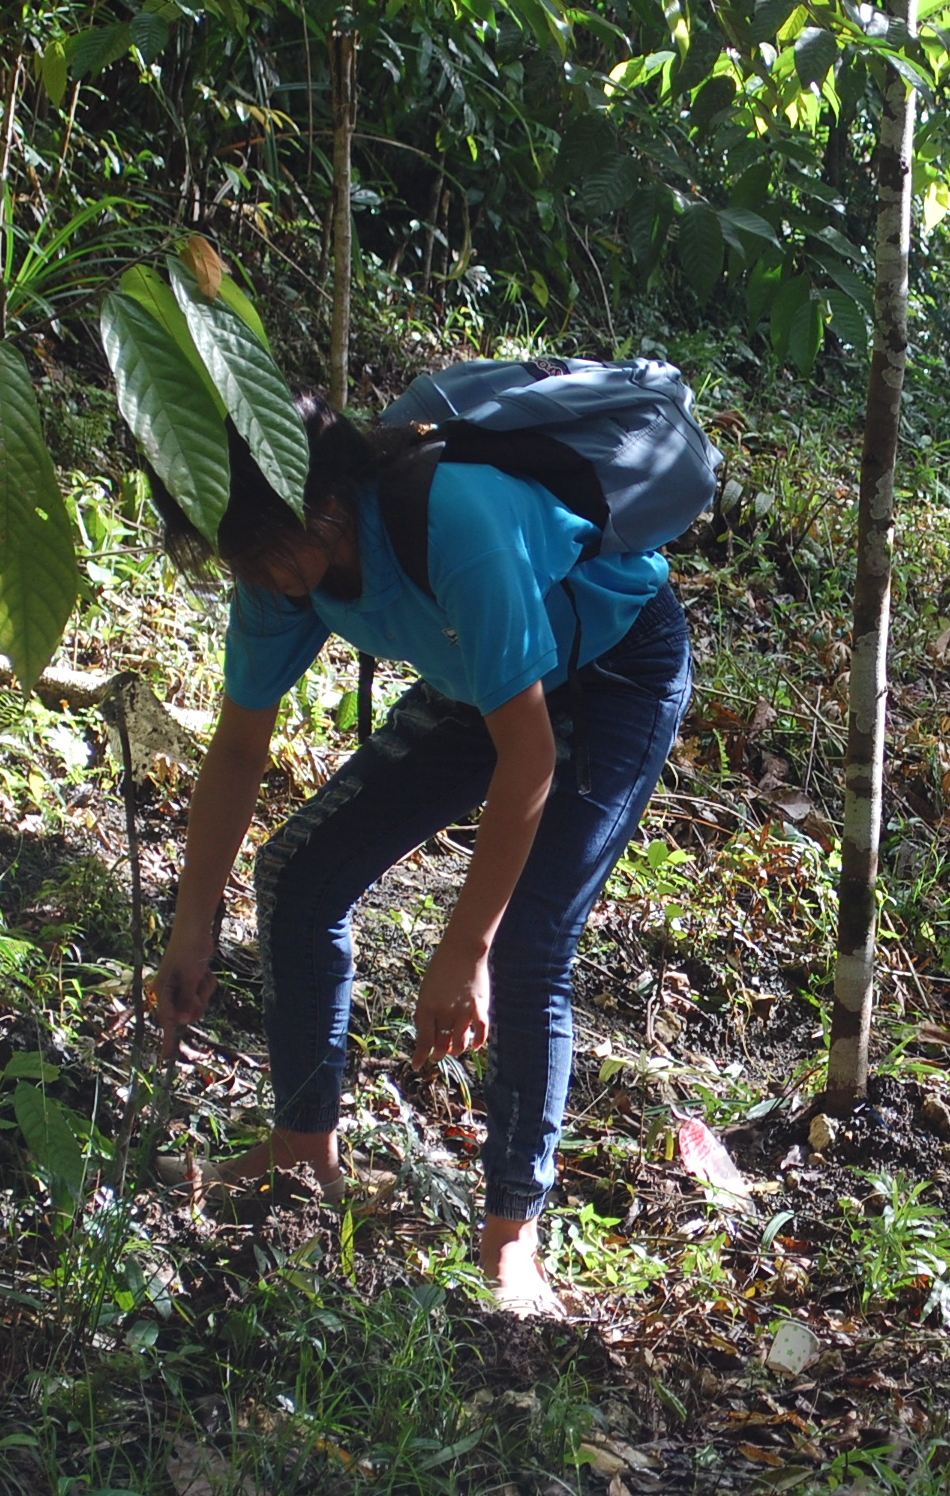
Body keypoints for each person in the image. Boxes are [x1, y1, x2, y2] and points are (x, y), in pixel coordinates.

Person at [147, 393, 693, 1316]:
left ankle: (512, 1234)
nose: (265, 583)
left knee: (526, 942)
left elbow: (531, 758)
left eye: (263, 555)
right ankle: (301, 1150)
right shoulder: (279, 565)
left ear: (317, 508)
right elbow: (240, 749)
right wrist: (192, 923)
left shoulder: (455, 524)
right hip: (481, 679)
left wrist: (463, 948)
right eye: (240, 561)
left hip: (612, 669)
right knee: (299, 872)